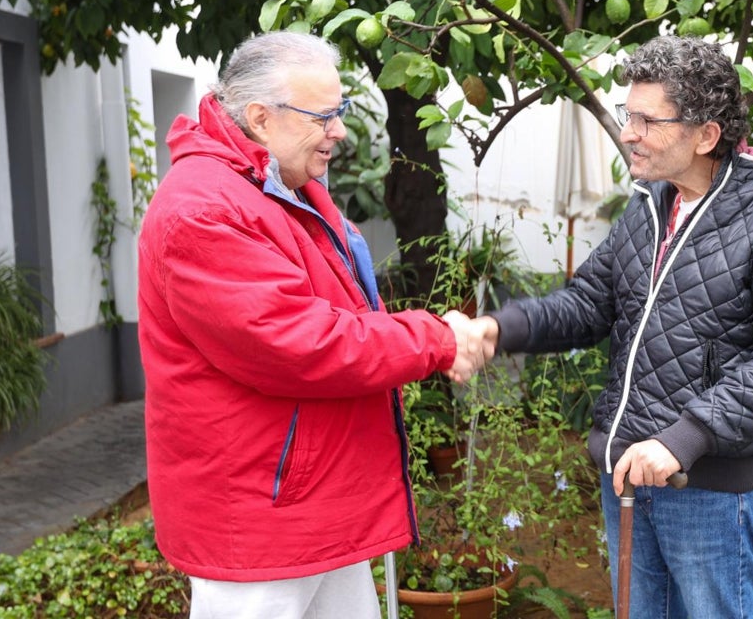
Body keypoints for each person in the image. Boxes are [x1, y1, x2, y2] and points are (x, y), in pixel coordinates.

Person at [137, 31, 491, 619]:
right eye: (324, 115)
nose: (340, 131)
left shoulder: (275, 187)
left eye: (341, 111)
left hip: (308, 502)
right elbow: (303, 343)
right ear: (260, 118)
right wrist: (436, 338)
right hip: (260, 523)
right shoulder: (204, 210)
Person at [476, 35, 753, 618]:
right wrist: (498, 329)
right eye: (627, 114)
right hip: (628, 478)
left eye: (646, 119)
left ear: (706, 135)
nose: (628, 132)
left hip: (708, 489)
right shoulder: (650, 203)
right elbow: (590, 302)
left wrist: (683, 440)